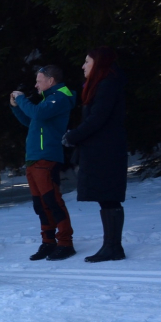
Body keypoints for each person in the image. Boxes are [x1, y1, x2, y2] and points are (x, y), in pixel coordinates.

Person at [63, 47, 128, 262]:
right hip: (103, 150)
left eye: (87, 62)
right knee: (106, 198)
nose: (83, 66)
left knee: (109, 198)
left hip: (106, 152)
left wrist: (73, 136)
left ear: (98, 63)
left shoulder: (108, 85)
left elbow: (97, 120)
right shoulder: (103, 84)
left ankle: (113, 247)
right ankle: (111, 246)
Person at [10, 65, 77, 261]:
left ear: (51, 80)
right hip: (34, 158)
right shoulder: (47, 102)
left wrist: (21, 99)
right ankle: (48, 241)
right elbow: (31, 120)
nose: (36, 85)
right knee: (40, 203)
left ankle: (65, 242)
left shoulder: (60, 97)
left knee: (52, 200)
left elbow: (37, 114)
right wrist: (15, 107)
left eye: (39, 81)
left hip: (46, 157)